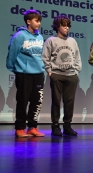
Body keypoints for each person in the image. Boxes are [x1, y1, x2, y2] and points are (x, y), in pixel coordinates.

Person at [6, 10, 45, 138]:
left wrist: (42, 67)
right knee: (23, 101)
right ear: (28, 21)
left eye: (39, 21)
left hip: (38, 74)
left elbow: (40, 55)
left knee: (36, 101)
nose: (38, 23)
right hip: (24, 74)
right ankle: (20, 128)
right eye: (36, 20)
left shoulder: (40, 37)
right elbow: (12, 54)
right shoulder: (19, 36)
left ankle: (32, 127)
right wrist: (16, 68)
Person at [42, 15, 81, 136]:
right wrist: (50, 71)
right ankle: (55, 125)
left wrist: (76, 70)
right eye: (64, 26)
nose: (67, 28)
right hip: (57, 75)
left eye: (68, 26)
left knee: (69, 101)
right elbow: (45, 57)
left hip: (71, 75)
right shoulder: (51, 41)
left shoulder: (72, 41)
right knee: (56, 101)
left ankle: (67, 125)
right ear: (57, 26)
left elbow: (77, 57)